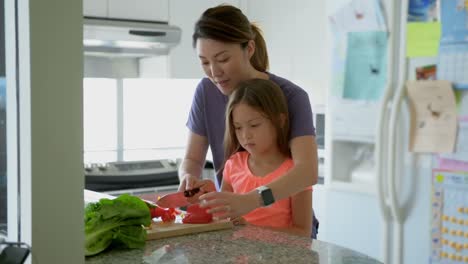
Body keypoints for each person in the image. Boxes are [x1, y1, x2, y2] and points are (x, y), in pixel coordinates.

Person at [177, 4, 319, 237]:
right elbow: (192, 159)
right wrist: (188, 178)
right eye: (204, 62)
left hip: (287, 234)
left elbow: (307, 171)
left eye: (222, 59)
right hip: (236, 230)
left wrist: (252, 200)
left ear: (249, 48)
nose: (214, 72)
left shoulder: (292, 96)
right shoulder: (206, 91)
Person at [220, 79, 312, 237]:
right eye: (238, 127)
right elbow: (222, 218)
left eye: (254, 125)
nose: (245, 135)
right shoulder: (233, 165)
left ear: (280, 121)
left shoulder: (295, 173)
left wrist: (252, 231)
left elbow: (302, 233)